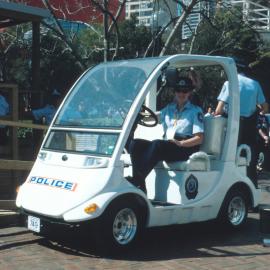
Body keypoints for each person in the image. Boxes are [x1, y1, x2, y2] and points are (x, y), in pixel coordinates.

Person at [128, 77, 204, 193]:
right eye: (178, 90)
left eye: (185, 91)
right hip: (169, 144)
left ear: (190, 93)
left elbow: (199, 138)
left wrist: (181, 143)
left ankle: (136, 180)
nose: (181, 93)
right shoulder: (169, 109)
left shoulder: (195, 111)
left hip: (185, 147)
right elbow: (153, 117)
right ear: (175, 92)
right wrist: (137, 115)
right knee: (136, 144)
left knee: (157, 144)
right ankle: (140, 186)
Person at [215, 58, 268, 185]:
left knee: (230, 158)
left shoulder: (229, 84)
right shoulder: (255, 84)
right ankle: (251, 187)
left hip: (232, 125)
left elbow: (219, 110)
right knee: (249, 158)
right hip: (249, 126)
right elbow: (265, 108)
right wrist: (256, 109)